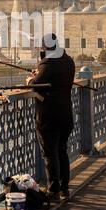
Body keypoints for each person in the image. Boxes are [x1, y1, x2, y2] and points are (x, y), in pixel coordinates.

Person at [27, 33, 75, 201]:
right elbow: (53, 79)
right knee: (62, 150)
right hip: (66, 114)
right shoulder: (68, 60)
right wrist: (40, 73)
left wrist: (31, 79)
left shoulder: (48, 62)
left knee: (49, 153)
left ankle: (53, 190)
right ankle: (64, 188)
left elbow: (36, 85)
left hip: (49, 116)